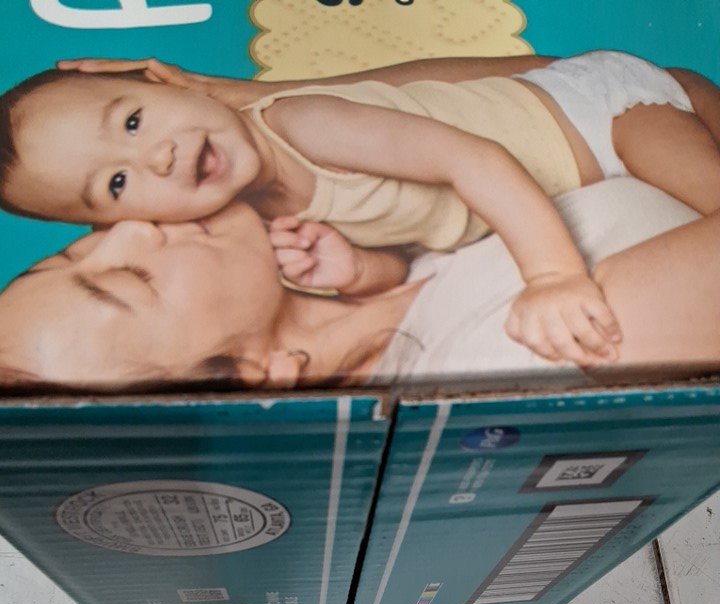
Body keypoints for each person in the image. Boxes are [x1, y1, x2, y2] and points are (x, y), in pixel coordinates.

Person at [2, 51, 720, 364]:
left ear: (166, 84)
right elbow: (411, 251)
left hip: (609, 118)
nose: (154, 158)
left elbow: (474, 159)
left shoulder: (303, 124)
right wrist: (357, 270)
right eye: (116, 186)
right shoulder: (280, 235)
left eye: (133, 120)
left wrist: (553, 275)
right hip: (582, 158)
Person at [0, 178, 718, 393]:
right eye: (129, 279)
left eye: (73, 250)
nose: (129, 228)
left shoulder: (386, 254)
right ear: (253, 376)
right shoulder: (511, 361)